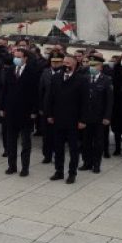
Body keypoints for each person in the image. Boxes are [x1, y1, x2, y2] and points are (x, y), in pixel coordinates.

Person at [47, 55, 89, 184]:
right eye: (63, 62)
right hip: (58, 119)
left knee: (73, 149)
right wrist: (49, 114)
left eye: (67, 63)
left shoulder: (81, 80)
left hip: (73, 120)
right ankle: (59, 171)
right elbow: (50, 98)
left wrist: (83, 120)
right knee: (58, 147)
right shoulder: (55, 78)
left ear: (74, 65)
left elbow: (85, 102)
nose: (65, 65)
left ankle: (72, 173)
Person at [1, 47, 40, 177]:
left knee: (25, 142)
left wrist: (34, 111)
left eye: (19, 56)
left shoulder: (32, 72)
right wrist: (2, 108)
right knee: (11, 141)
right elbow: (5, 91)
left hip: (26, 112)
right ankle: (12, 166)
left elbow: (36, 94)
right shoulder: (10, 70)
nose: (16, 59)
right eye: (15, 56)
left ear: (25, 58)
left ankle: (25, 167)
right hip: (11, 111)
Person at [80, 56, 113, 174]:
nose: (92, 67)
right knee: (86, 141)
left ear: (100, 67)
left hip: (99, 117)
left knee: (98, 142)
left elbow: (109, 101)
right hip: (86, 116)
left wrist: (107, 117)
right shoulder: (84, 78)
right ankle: (86, 162)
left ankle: (96, 164)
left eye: (95, 65)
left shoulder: (106, 80)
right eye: (90, 65)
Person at [39, 52, 64, 164]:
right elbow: (41, 90)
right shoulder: (46, 72)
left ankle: (57, 155)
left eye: (57, 62)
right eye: (53, 61)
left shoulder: (65, 74)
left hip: (59, 108)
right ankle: (47, 155)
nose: (54, 64)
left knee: (57, 134)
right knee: (46, 134)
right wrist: (40, 106)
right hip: (46, 106)